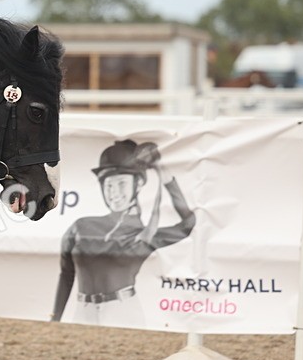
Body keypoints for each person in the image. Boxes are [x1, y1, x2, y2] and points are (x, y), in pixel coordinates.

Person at [51, 139, 196, 326]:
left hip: (123, 310)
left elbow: (188, 224)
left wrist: (163, 173)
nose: (114, 192)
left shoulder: (147, 235)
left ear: (137, 185)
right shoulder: (81, 226)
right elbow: (66, 274)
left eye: (121, 184)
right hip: (83, 312)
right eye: (108, 185)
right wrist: (55, 318)